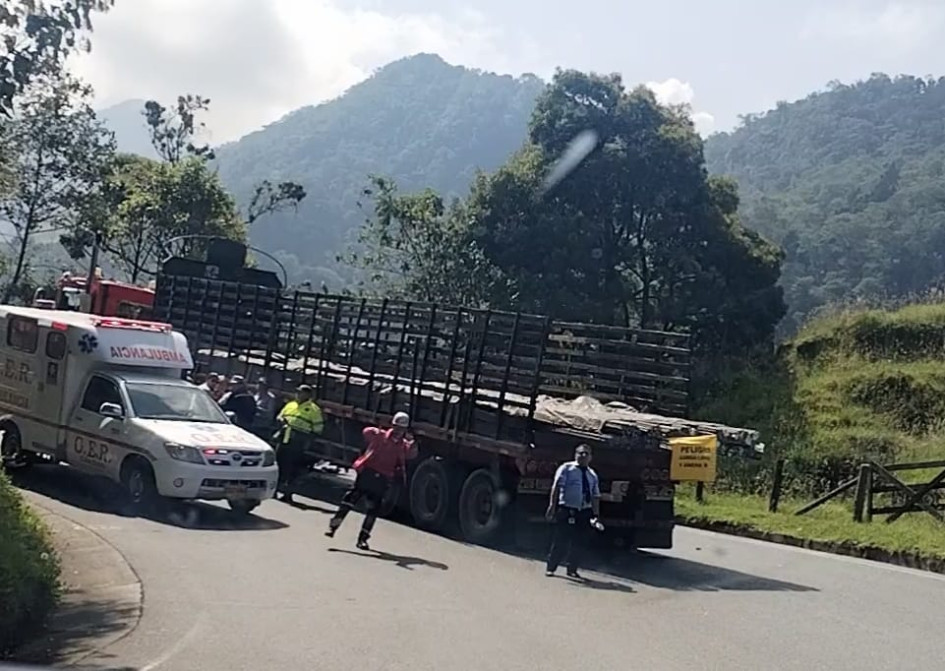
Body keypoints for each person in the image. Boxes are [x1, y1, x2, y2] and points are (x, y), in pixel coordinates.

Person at [325, 411, 418, 550]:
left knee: (373, 509)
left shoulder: (403, 445)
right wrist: (376, 430)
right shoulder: (380, 435)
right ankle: (334, 526)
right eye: (397, 427)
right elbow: (366, 432)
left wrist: (414, 443)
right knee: (351, 498)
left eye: (402, 428)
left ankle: (363, 538)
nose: (399, 431)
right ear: (392, 425)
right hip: (368, 471)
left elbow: (411, 455)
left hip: (384, 476)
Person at [545, 444, 601, 579]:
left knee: (579, 542)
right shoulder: (567, 468)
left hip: (584, 511)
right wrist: (553, 506)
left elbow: (595, 496)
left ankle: (572, 569)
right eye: (580, 453)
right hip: (567, 509)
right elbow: (556, 487)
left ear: (591, 457)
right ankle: (551, 568)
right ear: (575, 454)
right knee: (561, 540)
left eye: (586, 454)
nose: (583, 456)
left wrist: (596, 515)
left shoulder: (592, 474)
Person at [275, 384, 324, 504]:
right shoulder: (291, 405)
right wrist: (281, 421)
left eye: (301, 392)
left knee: (293, 469)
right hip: (284, 438)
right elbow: (280, 417)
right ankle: (274, 490)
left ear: (308, 395)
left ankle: (288, 494)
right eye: (297, 392)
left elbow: (318, 428)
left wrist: (306, 437)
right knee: (278, 465)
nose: (298, 394)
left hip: (298, 442)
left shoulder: (314, 409)